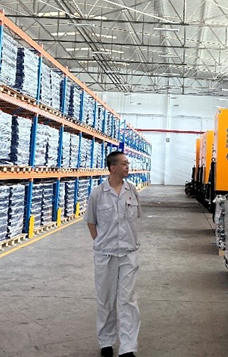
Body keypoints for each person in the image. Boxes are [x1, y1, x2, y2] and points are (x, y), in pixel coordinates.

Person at [84, 151, 142, 357]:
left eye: (128, 163)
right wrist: (101, 243)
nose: (128, 167)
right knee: (106, 300)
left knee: (128, 301)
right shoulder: (98, 193)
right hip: (105, 255)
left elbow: (136, 218)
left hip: (128, 254)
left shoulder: (131, 190)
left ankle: (128, 348)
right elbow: (91, 222)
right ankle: (106, 342)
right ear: (113, 168)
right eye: (124, 164)